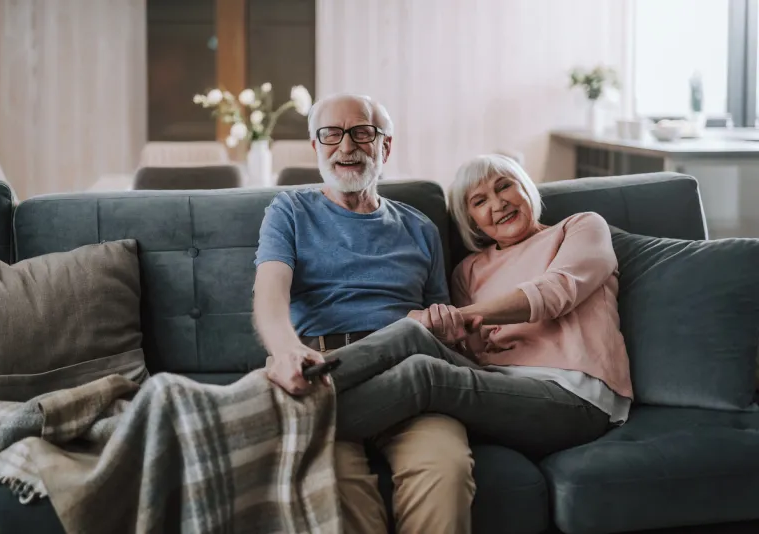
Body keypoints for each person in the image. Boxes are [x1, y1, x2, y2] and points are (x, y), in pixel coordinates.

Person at [252, 93, 475, 534]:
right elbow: (270, 293)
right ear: (316, 146)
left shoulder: (421, 228)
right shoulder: (289, 211)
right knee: (331, 488)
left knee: (446, 471)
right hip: (326, 373)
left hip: (410, 373)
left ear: (385, 147)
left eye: (362, 133)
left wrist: (449, 329)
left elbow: (438, 316)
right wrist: (285, 351)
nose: (346, 146)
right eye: (331, 134)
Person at [317, 154, 634, 461]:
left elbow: (556, 292)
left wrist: (465, 316)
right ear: (473, 222)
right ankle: (299, 386)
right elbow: (472, 354)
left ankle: (297, 428)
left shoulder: (579, 228)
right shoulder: (469, 271)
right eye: (479, 201)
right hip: (499, 386)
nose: (498, 204)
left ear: (525, 187)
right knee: (412, 333)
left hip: (574, 397)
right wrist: (440, 326)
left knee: (423, 374)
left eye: (503, 186)